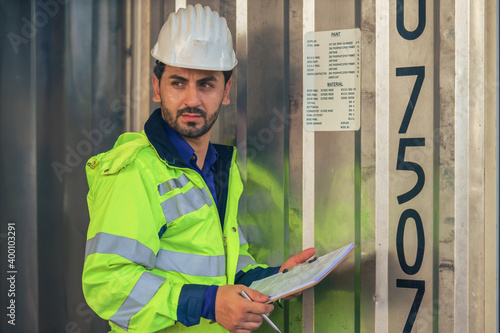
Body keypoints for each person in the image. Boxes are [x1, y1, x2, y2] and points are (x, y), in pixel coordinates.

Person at [82, 4, 315, 332]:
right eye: (178, 83)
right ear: (156, 87)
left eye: (206, 84)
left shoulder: (221, 170)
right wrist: (207, 303)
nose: (192, 100)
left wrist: (275, 279)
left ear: (226, 92)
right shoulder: (135, 171)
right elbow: (106, 283)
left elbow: (222, 267)